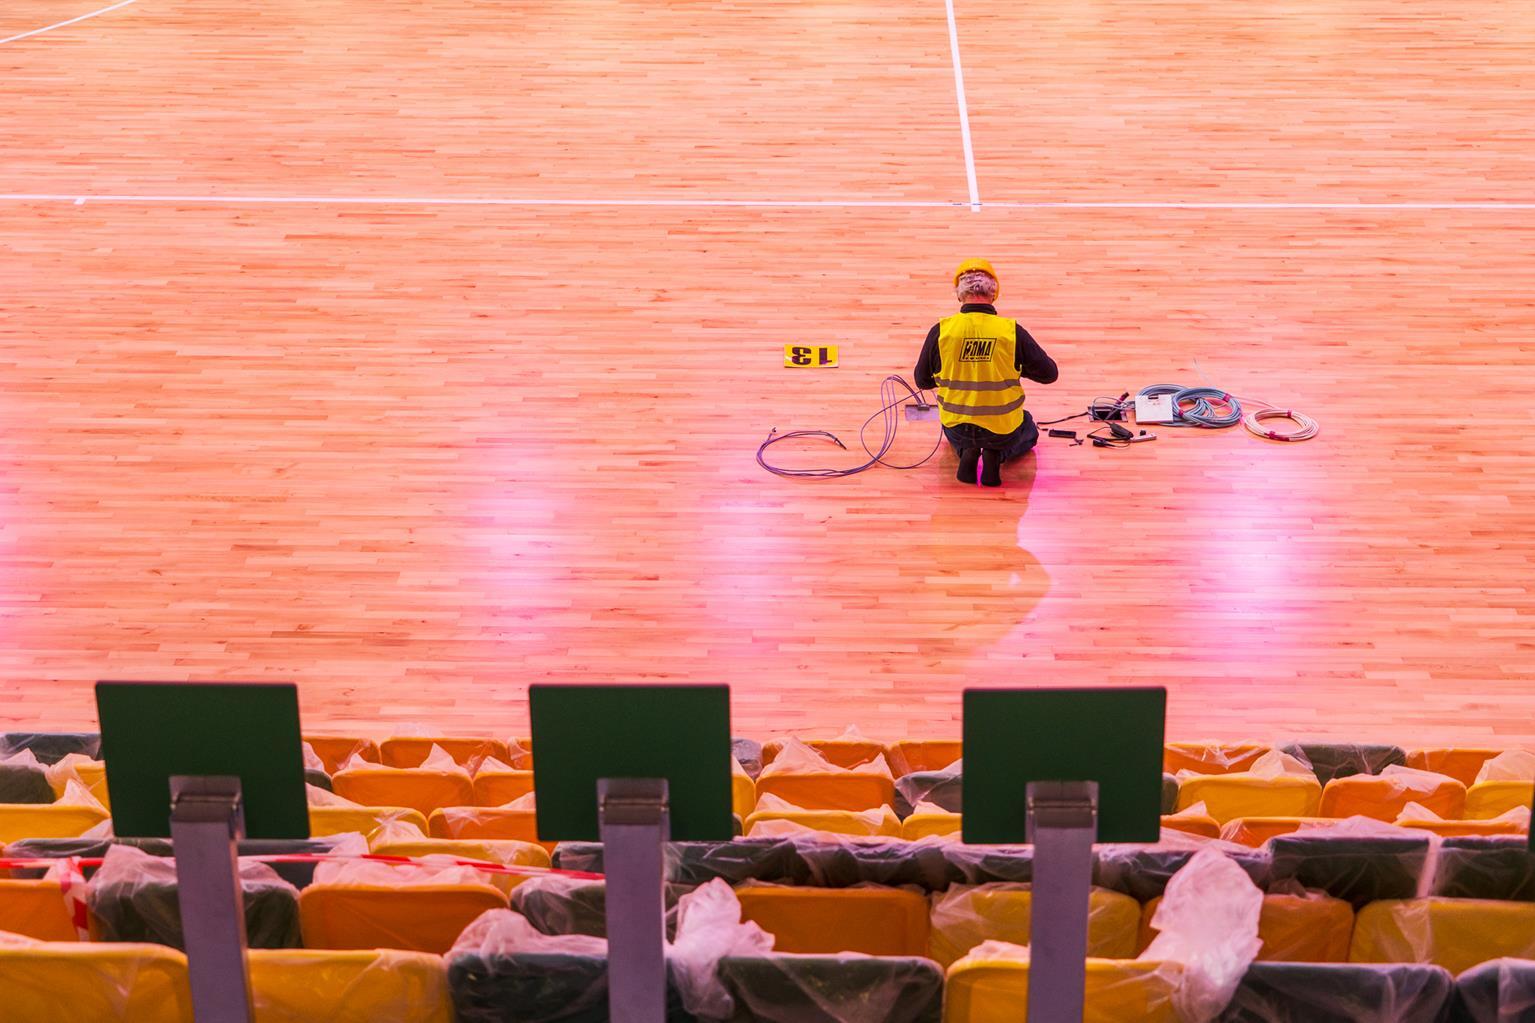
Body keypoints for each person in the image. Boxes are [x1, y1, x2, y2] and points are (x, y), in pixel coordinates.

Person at [913, 259, 1058, 487]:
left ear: (959, 294)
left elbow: (921, 380)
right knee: (1028, 428)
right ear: (994, 293)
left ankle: (966, 451)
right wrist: (1015, 365)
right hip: (1002, 429)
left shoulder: (941, 331)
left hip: (958, 425)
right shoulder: (1011, 332)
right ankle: (996, 455)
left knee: (954, 434)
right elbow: (1049, 374)